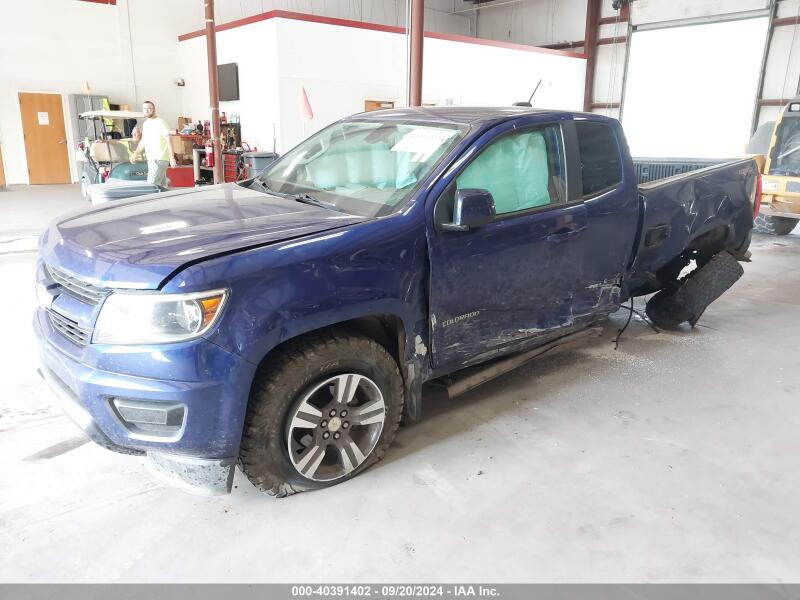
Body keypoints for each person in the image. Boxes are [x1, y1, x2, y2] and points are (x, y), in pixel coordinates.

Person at [131, 101, 176, 187]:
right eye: (144, 109)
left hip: (159, 159)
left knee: (151, 186)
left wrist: (172, 157)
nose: (147, 111)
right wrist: (135, 153)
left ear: (154, 110)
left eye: (149, 109)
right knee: (162, 188)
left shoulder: (160, 122)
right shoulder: (146, 124)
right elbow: (143, 141)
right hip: (151, 160)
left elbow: (169, 139)